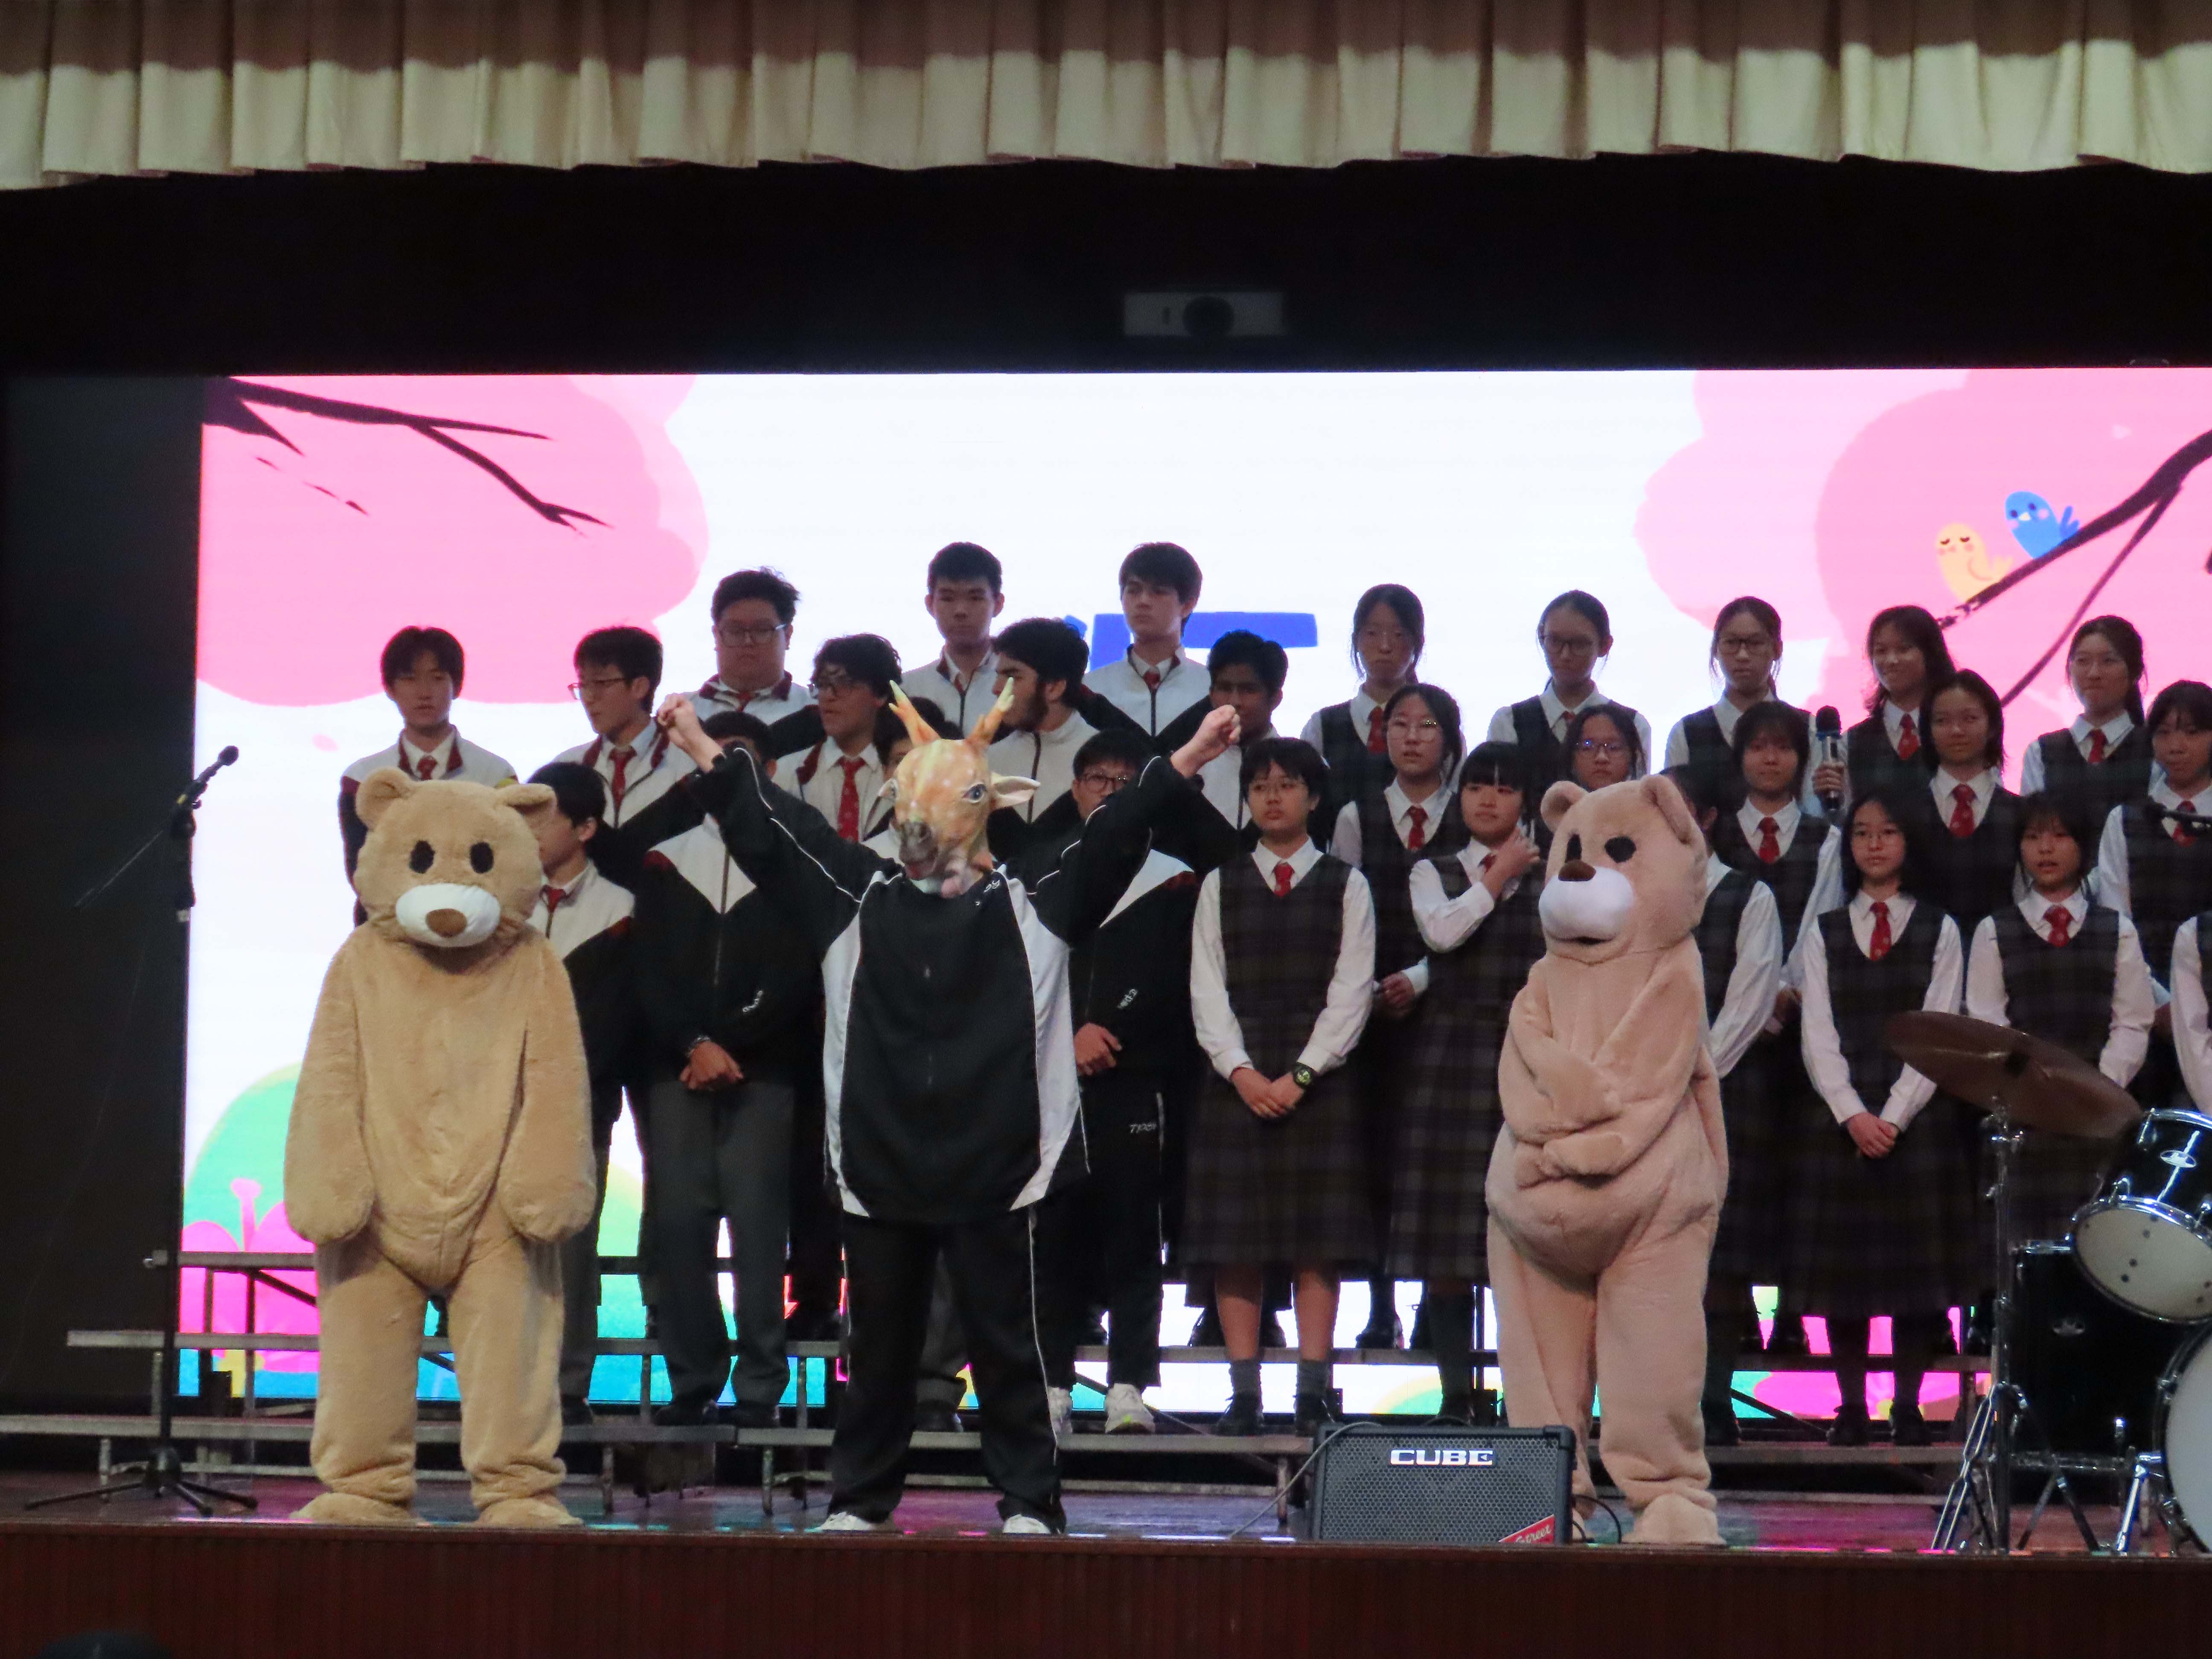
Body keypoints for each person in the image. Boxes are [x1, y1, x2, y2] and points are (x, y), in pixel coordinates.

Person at [655, 683, 1239, 1534]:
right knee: (876, 1349)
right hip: (880, 1159)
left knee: (1008, 1346)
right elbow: (773, 829)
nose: (923, 820)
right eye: (911, 800)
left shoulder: (1037, 896)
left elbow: (1115, 831)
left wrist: (1184, 759)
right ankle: (860, 1499)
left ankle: (1029, 1499)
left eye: (947, 799)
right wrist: (699, 744)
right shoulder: (851, 895)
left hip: (1002, 1162)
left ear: (984, 807)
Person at [629, 710, 821, 1428]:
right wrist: (692, 1042)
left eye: (741, 760)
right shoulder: (664, 858)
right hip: (676, 1072)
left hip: (761, 1072)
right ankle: (694, 1378)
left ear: (768, 773)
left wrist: (729, 1043)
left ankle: (761, 1386)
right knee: (679, 1228)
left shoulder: (795, 859)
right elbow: (648, 970)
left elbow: (797, 972)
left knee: (759, 1232)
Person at [1185, 736, 1378, 1437]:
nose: (1273, 797)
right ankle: (1244, 1395)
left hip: (1316, 1078)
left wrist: (1302, 1073)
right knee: (1233, 1241)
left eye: (1287, 785)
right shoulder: (1220, 882)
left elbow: (1352, 989)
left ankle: (1311, 1393)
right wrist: (1239, 1070)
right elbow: (1206, 986)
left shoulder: (1346, 884)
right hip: (1234, 1074)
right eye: (1260, 786)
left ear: (1313, 797)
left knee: (1315, 1242)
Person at [1028, 729, 1204, 1438]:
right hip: (1052, 1079)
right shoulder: (1042, 870)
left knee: (1135, 1237)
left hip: (1136, 1075)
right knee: (1052, 1239)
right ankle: (1050, 1385)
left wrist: (1109, 1028)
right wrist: (1070, 1031)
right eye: (1095, 779)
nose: (1107, 791)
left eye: (1122, 781)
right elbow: (1026, 970)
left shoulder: (1173, 877)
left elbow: (1174, 978)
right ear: (1074, 790)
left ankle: (1129, 1385)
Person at [1790, 789, 1973, 1448]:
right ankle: (1848, 1407)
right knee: (1845, 1281)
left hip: (1915, 1118)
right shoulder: (1825, 929)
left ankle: (1908, 1408)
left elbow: (1939, 1027)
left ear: (1909, 843)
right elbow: (1817, 1034)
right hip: (1841, 1118)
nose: (1874, 843)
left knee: (1915, 1280)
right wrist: (1851, 1113)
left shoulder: (1941, 928)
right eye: (1862, 832)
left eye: (1888, 831)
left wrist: (1893, 1116)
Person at [1385, 743, 1545, 1423]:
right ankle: (1454, 1393)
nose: (1489, 800)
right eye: (1478, 786)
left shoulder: (1554, 876)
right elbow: (1441, 934)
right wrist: (1495, 877)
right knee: (1446, 1240)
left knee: (1521, 1238)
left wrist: (1515, 873)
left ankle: (1521, 1398)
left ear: (1525, 801)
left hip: (1527, 1053)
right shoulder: (1434, 869)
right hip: (1449, 1054)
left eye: (1505, 789)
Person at [1329, 682, 1462, 1350]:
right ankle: (1381, 1303)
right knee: (1376, 1158)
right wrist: (1371, 988)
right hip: (1373, 1011)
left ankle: (1439, 1305)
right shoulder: (1357, 815)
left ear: (1450, 740)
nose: (1412, 737)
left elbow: (1487, 918)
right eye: (1401, 725)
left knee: (1441, 1165)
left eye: (1427, 725)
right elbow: (1342, 910)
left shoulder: (1473, 811)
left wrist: (1423, 977)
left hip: (1452, 1005)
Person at [1707, 699, 1841, 1359]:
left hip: (1800, 1024)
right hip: (1731, 1033)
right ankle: (1733, 1314)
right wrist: (1754, 1002)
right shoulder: (1716, 834)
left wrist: (1786, 992)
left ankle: (1791, 1311)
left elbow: (1822, 920)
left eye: (1782, 747)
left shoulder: (1826, 839)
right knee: (1734, 1179)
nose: (1770, 758)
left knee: (1796, 1175)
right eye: (1758, 747)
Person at [1965, 792, 2153, 1240]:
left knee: (2100, 1245)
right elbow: (1988, 1027)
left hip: (2101, 1113)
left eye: (2059, 836)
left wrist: (2095, 1088)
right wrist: (2038, 1093)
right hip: (2025, 1117)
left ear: (2083, 848)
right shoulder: (1994, 931)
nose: (2045, 849)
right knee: (2024, 1248)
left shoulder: (2117, 930)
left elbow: (2132, 1022)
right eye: (2032, 837)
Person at [1665, 765, 1786, 1447]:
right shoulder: (1634, 894)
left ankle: (1715, 1401)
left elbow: (1752, 996)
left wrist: (1696, 1069)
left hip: (1726, 1088)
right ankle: (1659, 1402)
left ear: (1708, 818)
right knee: (1657, 1253)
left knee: (1725, 1252)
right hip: (1646, 1092)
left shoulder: (1748, 895)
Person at [524, 760, 638, 1427]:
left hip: (578, 1103)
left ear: (586, 827)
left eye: (543, 818)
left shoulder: (619, 908)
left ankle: (568, 1382)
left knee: (570, 1245)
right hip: (499, 1106)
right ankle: (500, 1380)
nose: (529, 830)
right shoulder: (504, 904)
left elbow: (614, 1021)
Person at [339, 626, 515, 915]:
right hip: (386, 929)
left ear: (457, 686)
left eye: (437, 678)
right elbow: (362, 872)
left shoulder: (493, 774)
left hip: (473, 925)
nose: (424, 693)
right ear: (390, 689)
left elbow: (508, 864)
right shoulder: (363, 779)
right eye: (410, 679)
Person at [2094, 679, 2212, 1109]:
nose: (2176, 746)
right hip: (2141, 1008)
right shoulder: (2125, 821)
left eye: (2192, 732)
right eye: (2163, 733)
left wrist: (2193, 1011)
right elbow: (2115, 923)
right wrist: (2160, 1004)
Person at [556, 625, 699, 867]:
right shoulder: (567, 767)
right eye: (583, 685)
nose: (589, 697)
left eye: (601, 683)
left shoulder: (688, 764)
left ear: (640, 687)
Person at [1486, 590, 1651, 795]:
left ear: (1605, 646)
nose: (1565, 655)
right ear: (1542, 637)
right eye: (1555, 641)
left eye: (1579, 644)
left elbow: (1635, 802)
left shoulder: (1633, 725)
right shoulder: (1510, 723)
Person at [1663, 597, 1813, 810]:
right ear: (1716, 650)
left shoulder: (1808, 729)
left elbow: (1815, 811)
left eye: (1755, 643)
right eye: (1732, 643)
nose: (1743, 655)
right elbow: (1674, 812)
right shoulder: (1687, 734)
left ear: (1777, 649)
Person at [1914, 669, 2022, 941]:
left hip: (2002, 951)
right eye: (1942, 721)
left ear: (1993, 726)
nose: (1957, 731)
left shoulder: (2021, 814)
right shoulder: (1903, 815)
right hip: (1923, 955)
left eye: (1970, 719)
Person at [1302, 584, 1423, 825]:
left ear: (1417, 643)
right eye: (1372, 633)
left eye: (1399, 635)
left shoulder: (1437, 724)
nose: (1385, 646)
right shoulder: (1322, 727)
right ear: (1357, 640)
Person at [2019, 616, 2155, 825]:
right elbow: (2034, 831)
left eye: (2108, 661)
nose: (2094, 674)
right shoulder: (2041, 753)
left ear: (2135, 672)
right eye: (2083, 661)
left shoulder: (2155, 749)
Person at [1819, 604, 1953, 809]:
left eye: (1904, 649)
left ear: (1931, 654)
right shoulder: (1853, 742)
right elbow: (1846, 819)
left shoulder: (1958, 731)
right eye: (1881, 651)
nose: (1891, 661)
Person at [987, 616, 1111, 823]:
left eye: (1013, 677)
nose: (997, 689)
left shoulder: (1106, 762)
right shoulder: (985, 760)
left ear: (1054, 688)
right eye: (998, 676)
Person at [1164, 629, 1287, 835]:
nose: (1235, 701)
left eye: (1248, 690)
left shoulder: (1303, 767)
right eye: (1225, 688)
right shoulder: (1184, 765)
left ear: (1275, 698)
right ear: (1211, 694)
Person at [1085, 542, 1209, 737]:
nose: (1143, 601)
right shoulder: (1091, 690)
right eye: (1134, 590)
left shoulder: (1210, 689)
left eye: (1158, 591)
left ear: (1188, 605)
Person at [788, 634, 902, 841]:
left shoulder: (907, 771)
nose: (828, 696)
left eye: (843, 684)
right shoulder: (787, 773)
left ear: (880, 693)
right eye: (822, 685)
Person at [690, 568, 815, 732]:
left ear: (788, 636)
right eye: (735, 631)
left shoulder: (817, 713)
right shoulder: (682, 715)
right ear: (716, 636)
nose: (748, 641)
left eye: (762, 630)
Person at [902, 542, 1006, 735]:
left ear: (998, 604)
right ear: (930, 604)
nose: (961, 611)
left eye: (975, 598)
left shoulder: (1016, 685)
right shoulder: (908, 689)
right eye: (948, 598)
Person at [1562, 703, 1642, 793]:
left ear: (1632, 756)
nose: (1601, 758)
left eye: (1614, 748)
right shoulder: (1556, 801)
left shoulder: (1646, 802)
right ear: (1572, 757)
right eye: (1588, 747)